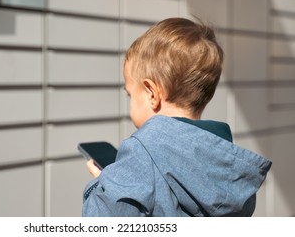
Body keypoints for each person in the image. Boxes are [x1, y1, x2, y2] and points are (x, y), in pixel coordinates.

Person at [82, 17, 272, 217]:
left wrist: (103, 184)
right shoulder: (227, 162)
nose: (129, 100)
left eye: (130, 93)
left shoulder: (143, 152)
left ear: (152, 94)